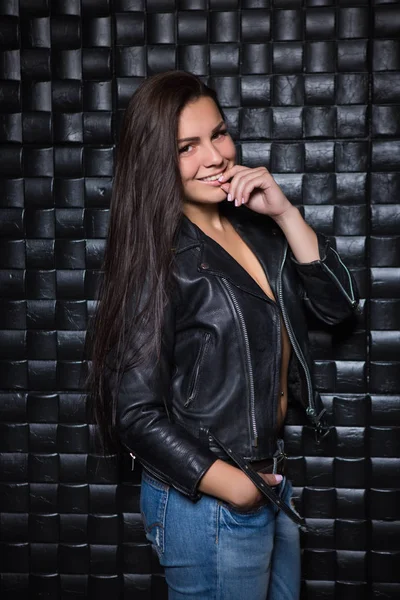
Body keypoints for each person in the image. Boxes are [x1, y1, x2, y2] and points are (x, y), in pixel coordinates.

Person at [86, 70, 359, 600]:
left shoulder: (256, 232)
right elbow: (134, 413)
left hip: (268, 482)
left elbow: (338, 309)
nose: (214, 156)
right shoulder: (159, 257)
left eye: (219, 133)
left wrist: (284, 213)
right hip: (210, 497)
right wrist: (235, 489)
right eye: (186, 146)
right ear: (155, 160)